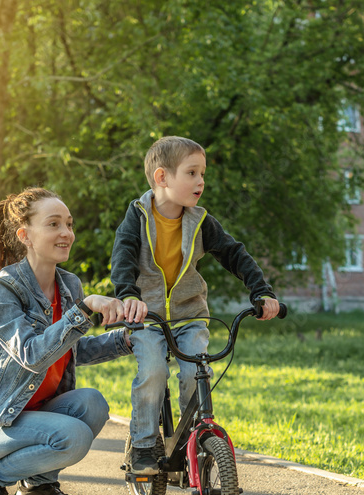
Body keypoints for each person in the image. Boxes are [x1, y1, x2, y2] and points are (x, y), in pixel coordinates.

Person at [0, 187, 131, 495]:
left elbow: (70, 350)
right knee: (73, 436)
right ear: (26, 235)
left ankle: (38, 489)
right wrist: (83, 310)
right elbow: (32, 354)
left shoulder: (68, 286)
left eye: (69, 224)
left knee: (92, 403)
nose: (66, 233)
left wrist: (128, 340)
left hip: (28, 418)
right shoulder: (2, 291)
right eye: (53, 224)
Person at [110, 136, 280, 475]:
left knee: (195, 373)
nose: (200, 181)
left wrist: (261, 291)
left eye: (202, 173)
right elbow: (123, 257)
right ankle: (143, 445)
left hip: (190, 314)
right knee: (154, 372)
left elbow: (235, 254)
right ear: (162, 178)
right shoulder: (138, 217)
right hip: (146, 315)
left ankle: (190, 443)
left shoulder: (200, 222)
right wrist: (128, 295)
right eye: (191, 173)